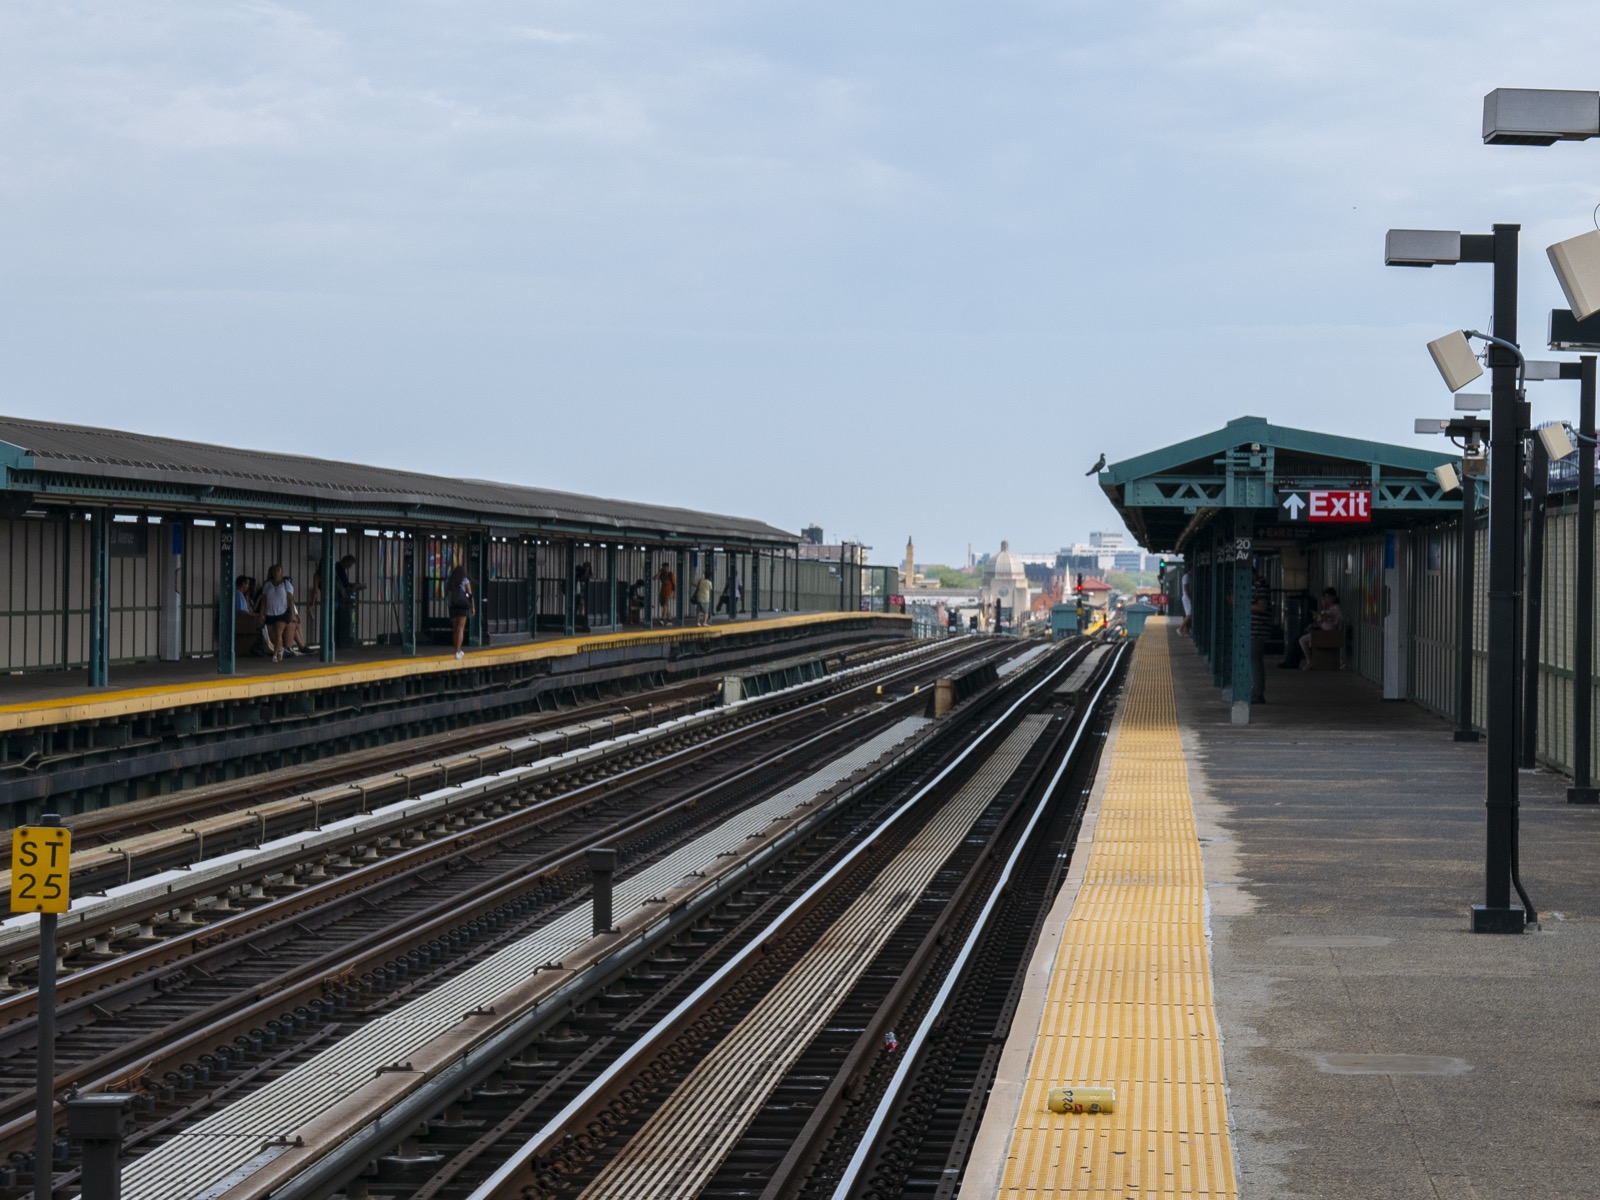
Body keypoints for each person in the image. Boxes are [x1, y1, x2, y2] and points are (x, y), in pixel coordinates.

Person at [257, 564, 296, 663]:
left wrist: (292, 613)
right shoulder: (267, 585)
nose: (276, 572)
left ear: (282, 572)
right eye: (274, 570)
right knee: (272, 635)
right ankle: (280, 648)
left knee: (279, 633)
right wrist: (262, 612)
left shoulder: (287, 584)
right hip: (270, 612)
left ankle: (275, 655)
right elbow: (264, 600)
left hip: (282, 613)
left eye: (278, 570)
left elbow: (290, 599)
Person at [1299, 588, 1344, 670]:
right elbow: (1321, 621)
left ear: (1333, 598)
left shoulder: (1336, 608)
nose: (1327, 599)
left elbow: (1340, 619)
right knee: (1303, 639)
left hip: (1330, 634)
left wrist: (1330, 617)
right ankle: (1310, 660)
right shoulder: (1327, 609)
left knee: (1303, 640)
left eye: (1328, 597)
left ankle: (1310, 661)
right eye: (1325, 597)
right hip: (1323, 632)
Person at [1249, 568, 1271, 703]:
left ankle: (1257, 692)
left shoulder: (1261, 585)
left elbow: (1262, 606)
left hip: (1258, 629)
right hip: (1253, 628)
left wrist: (1243, 604)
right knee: (1254, 661)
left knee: (1254, 660)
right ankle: (1256, 691)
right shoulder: (1256, 584)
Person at [445, 564, 474, 659]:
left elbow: (447, 595)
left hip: (452, 606)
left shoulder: (450, 581)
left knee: (455, 629)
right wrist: (473, 607)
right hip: (462, 606)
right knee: (460, 629)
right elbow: (470, 595)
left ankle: (456, 650)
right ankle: (458, 651)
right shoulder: (465, 580)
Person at [335, 555, 364, 647]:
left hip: (340, 596)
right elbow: (342, 583)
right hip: (339, 597)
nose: (350, 567)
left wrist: (350, 585)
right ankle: (339, 641)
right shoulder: (338, 568)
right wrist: (351, 586)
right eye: (350, 564)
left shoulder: (340, 569)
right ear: (346, 561)